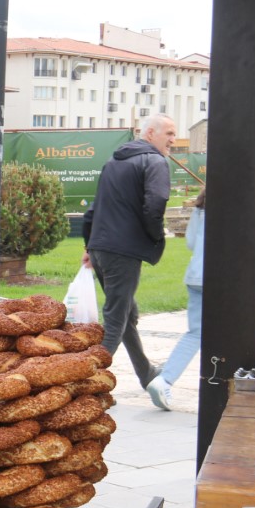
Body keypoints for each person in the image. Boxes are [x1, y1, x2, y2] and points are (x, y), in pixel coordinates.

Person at [82, 113, 177, 390]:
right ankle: (82, 383)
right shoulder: (155, 161)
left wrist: (90, 246)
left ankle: (146, 372)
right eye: (169, 133)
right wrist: (156, 235)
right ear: (150, 134)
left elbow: (94, 208)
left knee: (127, 314)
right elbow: (156, 202)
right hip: (122, 252)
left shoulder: (114, 162)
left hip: (102, 249)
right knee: (116, 320)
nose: (173, 140)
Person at [148, 186, 206, 410]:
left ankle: (165, 380)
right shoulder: (235, 206)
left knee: (195, 333)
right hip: (221, 278)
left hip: (195, 275)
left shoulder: (200, 208)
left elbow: (191, 242)